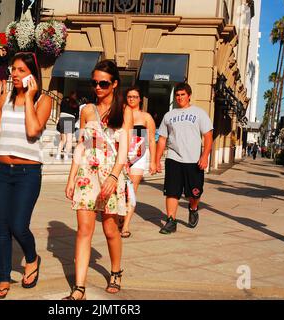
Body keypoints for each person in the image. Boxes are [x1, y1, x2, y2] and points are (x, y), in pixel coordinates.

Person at [0, 52, 52, 299]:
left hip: (28, 172)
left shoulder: (44, 101)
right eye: (13, 70)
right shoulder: (4, 97)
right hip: (0, 171)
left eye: (20, 70)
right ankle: (4, 278)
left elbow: (33, 130)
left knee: (19, 225)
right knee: (2, 227)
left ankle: (32, 258)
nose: (14, 74)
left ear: (32, 75)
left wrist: (29, 97)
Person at [63, 60, 133, 300]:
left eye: (103, 83)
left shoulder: (124, 110)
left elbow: (124, 148)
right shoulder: (86, 110)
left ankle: (115, 271)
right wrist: (72, 177)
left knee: (111, 230)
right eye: (94, 83)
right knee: (84, 230)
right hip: (87, 174)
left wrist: (114, 175)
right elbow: (81, 144)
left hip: (111, 174)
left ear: (114, 84)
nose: (98, 87)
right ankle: (79, 287)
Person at [155, 82, 213, 235]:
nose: (180, 98)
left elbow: (208, 136)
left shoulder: (199, 113)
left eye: (183, 95)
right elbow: (162, 139)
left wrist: (205, 156)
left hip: (194, 160)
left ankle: (193, 208)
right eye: (177, 95)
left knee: (194, 193)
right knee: (172, 192)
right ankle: (171, 221)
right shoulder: (169, 115)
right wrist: (156, 160)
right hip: (173, 158)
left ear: (189, 96)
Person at [118, 86, 157, 238]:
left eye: (135, 96)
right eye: (129, 97)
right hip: (121, 154)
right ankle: (120, 216)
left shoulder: (146, 117)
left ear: (140, 99)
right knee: (120, 190)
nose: (132, 99)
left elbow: (152, 141)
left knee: (131, 191)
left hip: (138, 157)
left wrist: (153, 161)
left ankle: (126, 224)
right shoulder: (121, 114)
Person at [55, 91, 79, 160]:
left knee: (63, 139)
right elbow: (77, 114)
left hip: (62, 117)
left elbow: (61, 109)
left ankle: (58, 155)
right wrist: (74, 121)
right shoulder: (75, 103)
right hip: (69, 119)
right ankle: (66, 155)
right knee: (69, 139)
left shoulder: (64, 100)